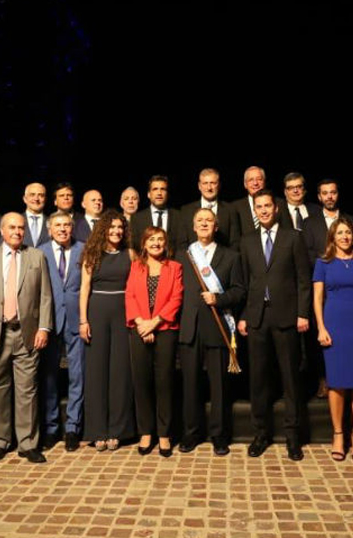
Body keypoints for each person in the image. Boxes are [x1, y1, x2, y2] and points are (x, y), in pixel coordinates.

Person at [0, 213, 54, 463]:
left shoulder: (36, 256)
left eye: (21, 228)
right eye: (12, 227)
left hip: (27, 334)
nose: (17, 232)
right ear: (2, 231)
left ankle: (28, 444)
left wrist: (44, 328)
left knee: (28, 391)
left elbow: (45, 296)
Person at [239, 190, 312, 461]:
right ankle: (261, 434)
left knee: (290, 378)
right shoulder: (246, 241)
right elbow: (245, 283)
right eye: (259, 207)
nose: (264, 210)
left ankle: (293, 437)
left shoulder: (293, 237)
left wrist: (302, 313)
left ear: (276, 208)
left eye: (267, 205)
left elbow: (303, 279)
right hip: (257, 318)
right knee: (258, 379)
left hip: (286, 317)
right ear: (255, 210)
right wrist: (244, 315)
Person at [177, 208, 246, 455]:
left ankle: (219, 435)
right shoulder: (182, 256)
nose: (204, 224)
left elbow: (239, 290)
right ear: (193, 227)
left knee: (219, 386)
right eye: (200, 220)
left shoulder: (231, 256)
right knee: (190, 385)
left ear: (216, 227)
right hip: (189, 327)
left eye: (209, 220)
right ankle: (191, 433)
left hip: (217, 326)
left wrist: (219, 298)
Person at [312, 217, 353, 462]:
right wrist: (321, 328)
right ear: (332, 237)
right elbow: (317, 298)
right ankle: (338, 435)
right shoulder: (323, 263)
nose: (345, 237)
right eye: (340, 233)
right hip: (334, 325)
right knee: (337, 382)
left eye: (348, 232)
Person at [80, 209, 136, 450]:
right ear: (103, 230)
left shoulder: (131, 254)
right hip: (97, 312)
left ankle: (118, 430)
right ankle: (97, 431)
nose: (116, 231)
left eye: (120, 227)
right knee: (97, 372)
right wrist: (83, 320)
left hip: (123, 313)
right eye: (112, 227)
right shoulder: (92, 254)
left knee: (121, 372)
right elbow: (84, 288)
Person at [125, 226, 184, 457]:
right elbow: (130, 295)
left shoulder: (175, 267)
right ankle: (146, 432)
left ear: (165, 243)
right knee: (141, 382)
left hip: (165, 329)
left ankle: (164, 433)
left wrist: (154, 323)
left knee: (164, 382)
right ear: (144, 244)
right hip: (140, 328)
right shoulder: (136, 266)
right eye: (151, 239)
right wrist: (142, 323)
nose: (156, 243)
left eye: (160, 239)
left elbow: (176, 298)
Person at [39, 211, 86, 452]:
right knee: (49, 377)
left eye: (66, 225)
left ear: (72, 227)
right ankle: (51, 427)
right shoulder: (40, 252)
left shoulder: (84, 250)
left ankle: (73, 428)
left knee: (78, 375)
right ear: (50, 229)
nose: (62, 229)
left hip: (77, 321)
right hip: (50, 320)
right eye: (57, 225)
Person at [181, 168, 242, 249]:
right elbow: (182, 243)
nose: (209, 188)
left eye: (213, 183)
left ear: (219, 185)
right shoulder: (186, 211)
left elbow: (235, 243)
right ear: (199, 186)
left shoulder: (230, 210)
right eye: (205, 183)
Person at [131, 175, 187, 253]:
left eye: (163, 189)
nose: (159, 193)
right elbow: (135, 247)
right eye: (155, 189)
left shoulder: (179, 216)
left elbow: (182, 246)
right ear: (148, 194)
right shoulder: (137, 219)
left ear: (167, 194)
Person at [22, 182, 51, 248]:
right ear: (24, 199)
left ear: (45, 199)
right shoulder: (15, 221)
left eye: (41, 195)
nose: (36, 199)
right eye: (32, 195)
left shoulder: (53, 222)